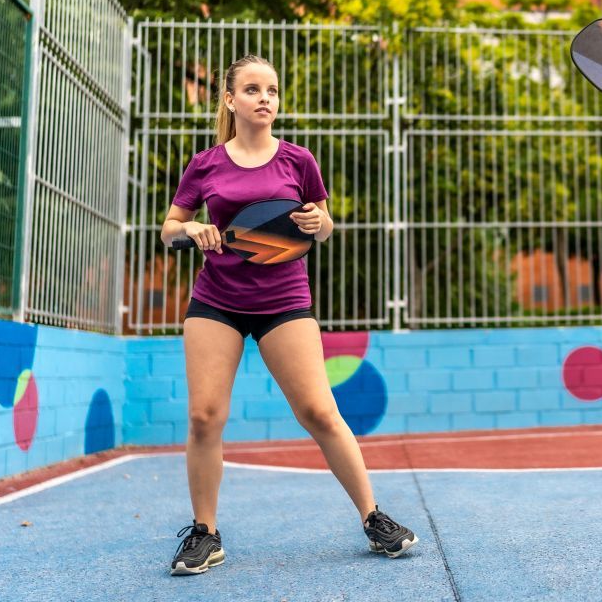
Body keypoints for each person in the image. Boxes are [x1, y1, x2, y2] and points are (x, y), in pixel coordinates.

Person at [160, 54, 418, 575]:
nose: (265, 99)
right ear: (230, 100)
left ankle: (373, 518)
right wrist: (191, 231)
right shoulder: (205, 164)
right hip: (216, 300)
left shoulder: (299, 161)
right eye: (252, 90)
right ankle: (205, 534)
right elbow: (169, 228)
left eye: (272, 90)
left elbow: (323, 228)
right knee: (204, 416)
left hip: (284, 302)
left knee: (320, 412)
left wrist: (319, 219)